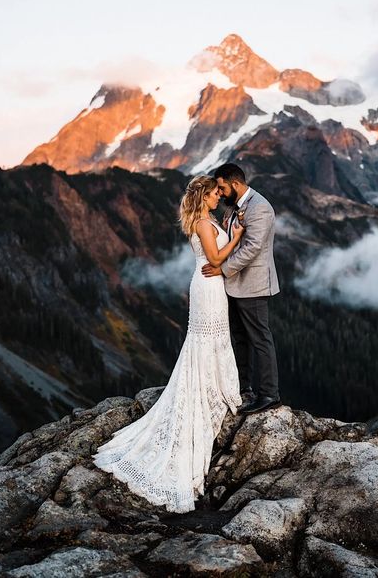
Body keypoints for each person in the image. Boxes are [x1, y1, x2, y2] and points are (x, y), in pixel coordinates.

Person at [92, 175, 244, 514]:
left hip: (209, 287)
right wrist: (235, 238)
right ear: (204, 196)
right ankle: (212, 388)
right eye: (215, 193)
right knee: (208, 339)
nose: (219, 197)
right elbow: (216, 261)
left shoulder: (205, 219)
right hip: (208, 287)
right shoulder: (204, 223)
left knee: (213, 338)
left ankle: (216, 385)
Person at [202, 162, 280, 415]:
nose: (221, 193)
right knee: (239, 338)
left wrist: (222, 270)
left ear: (235, 184)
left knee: (260, 339)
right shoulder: (236, 207)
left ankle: (269, 394)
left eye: (223, 188)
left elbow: (252, 248)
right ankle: (243, 388)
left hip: (253, 285)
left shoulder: (260, 208)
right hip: (235, 285)